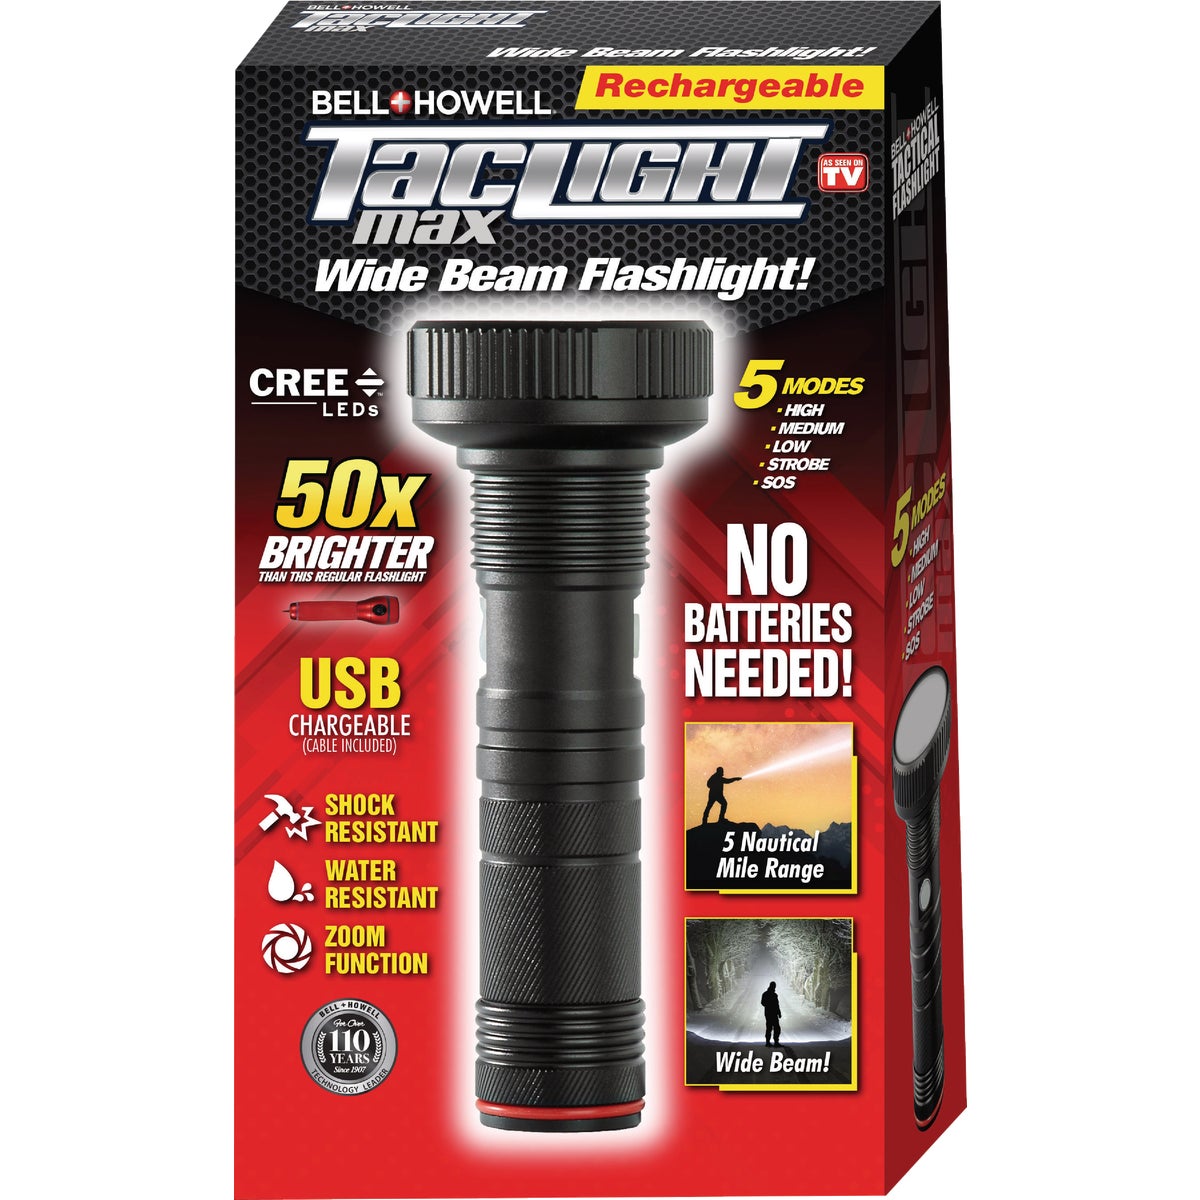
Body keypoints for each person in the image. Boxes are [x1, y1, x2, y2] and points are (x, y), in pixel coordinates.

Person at [761, 981, 782, 1046]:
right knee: (776, 1028)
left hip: (768, 1013)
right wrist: (779, 1013)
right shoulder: (774, 995)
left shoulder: (765, 994)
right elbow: (777, 1005)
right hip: (773, 1013)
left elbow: (763, 1003)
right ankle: (775, 1042)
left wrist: (768, 1006)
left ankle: (768, 1042)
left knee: (769, 1027)